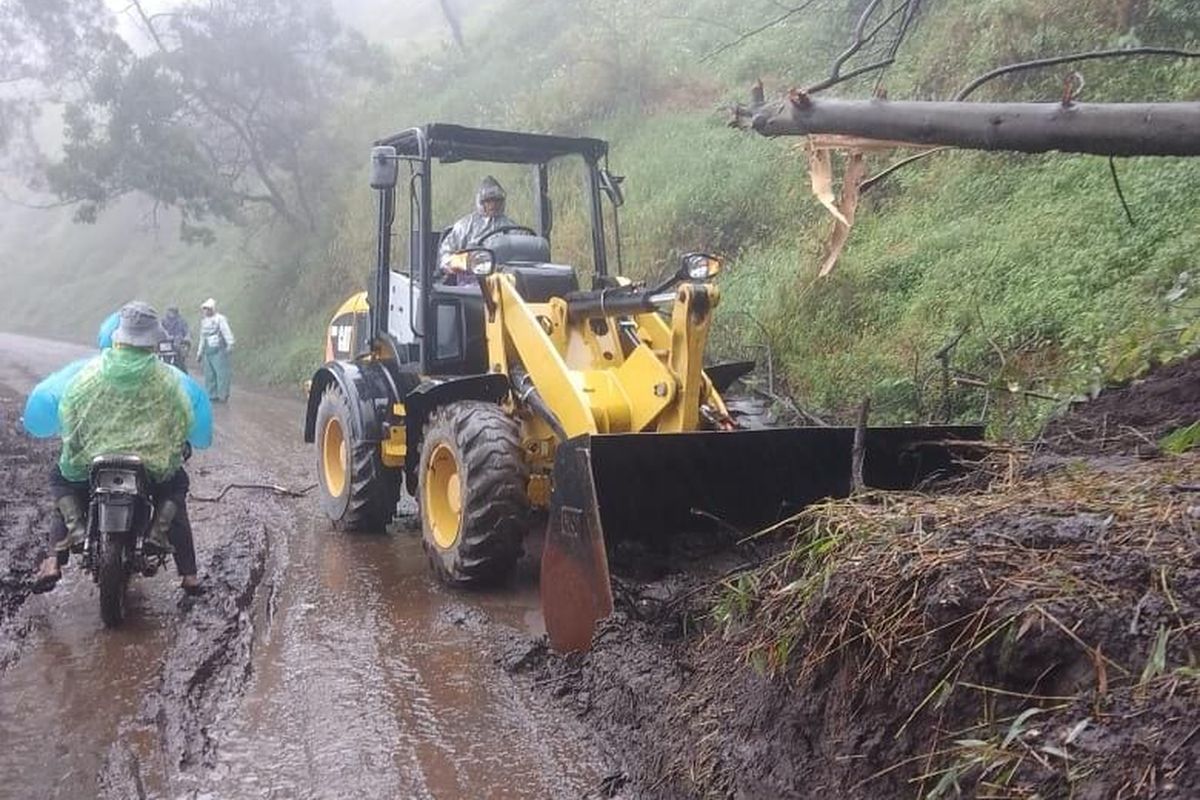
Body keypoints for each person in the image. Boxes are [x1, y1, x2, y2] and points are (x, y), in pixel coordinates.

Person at [29, 302, 209, 595]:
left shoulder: (88, 375)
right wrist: (176, 446)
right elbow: (182, 421)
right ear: (152, 340)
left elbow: (69, 415)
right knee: (177, 484)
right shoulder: (168, 379)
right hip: (149, 466)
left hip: (93, 461)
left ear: (119, 337)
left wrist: (74, 445)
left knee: (61, 479)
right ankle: (185, 571)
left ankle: (56, 555)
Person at [437, 176, 521, 270]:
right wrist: (465, 263)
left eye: (497, 200)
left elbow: (522, 255)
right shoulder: (465, 226)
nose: (493, 204)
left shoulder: (512, 228)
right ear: (480, 202)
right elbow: (445, 256)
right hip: (471, 277)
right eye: (488, 201)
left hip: (502, 275)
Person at [196, 298, 235, 403]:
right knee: (209, 374)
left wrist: (230, 343)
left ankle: (223, 395)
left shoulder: (220, 319)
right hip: (208, 351)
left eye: (208, 309)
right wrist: (199, 353)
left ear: (213, 309)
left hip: (219, 350)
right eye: (205, 309)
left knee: (222, 373)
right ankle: (212, 395)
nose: (206, 311)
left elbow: (226, 331)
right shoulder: (204, 322)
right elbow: (202, 338)